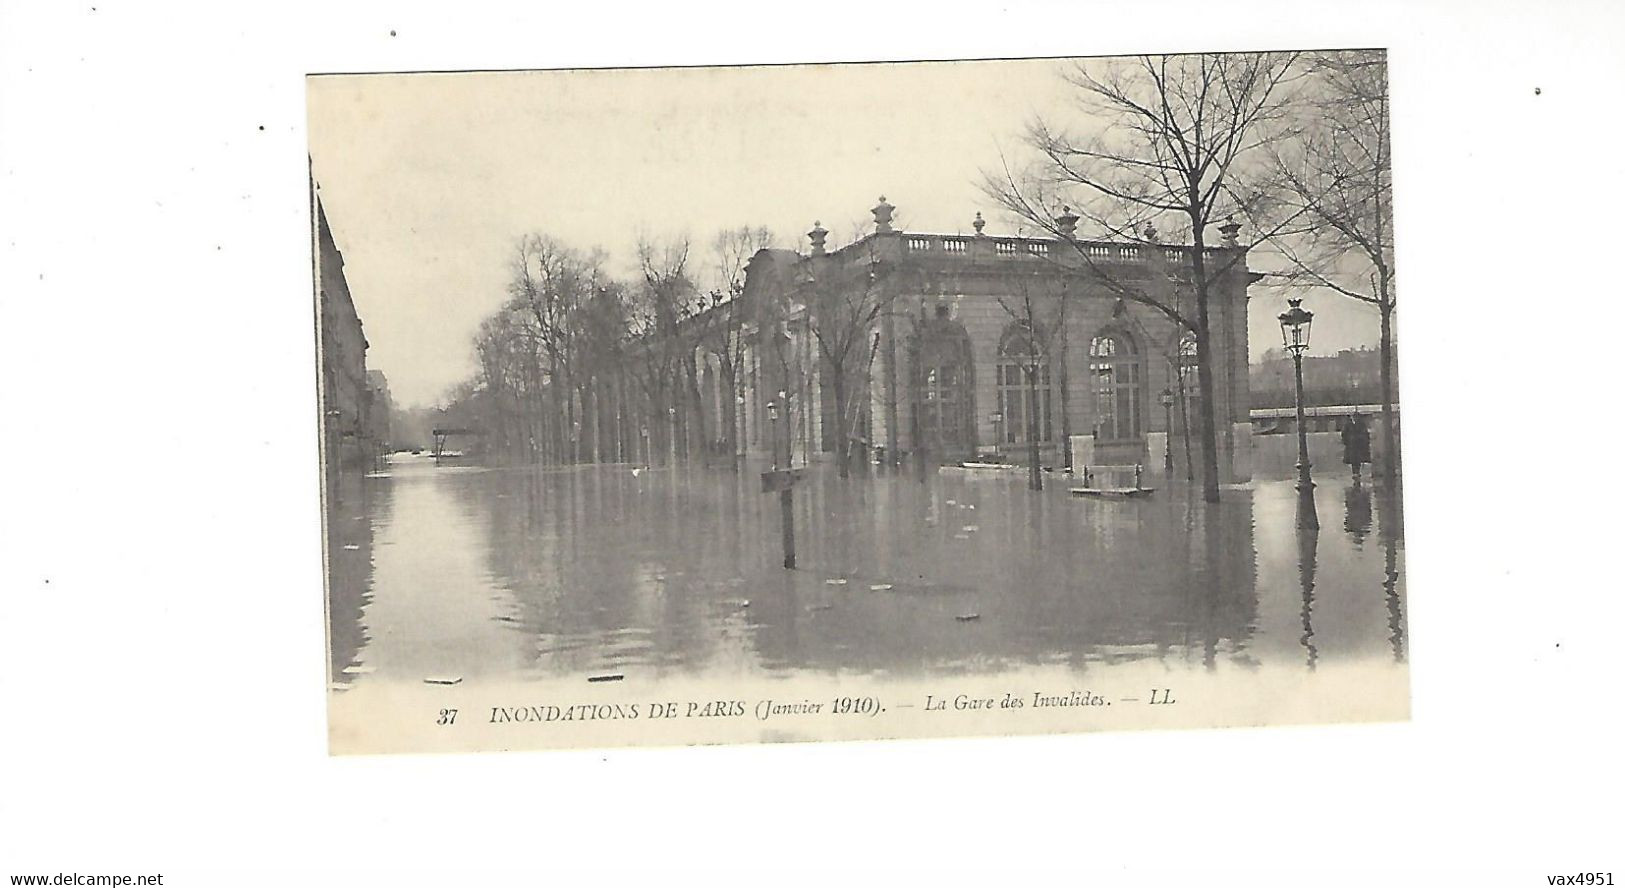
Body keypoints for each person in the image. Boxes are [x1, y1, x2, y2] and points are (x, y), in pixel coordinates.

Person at [1341, 413, 1372, 482]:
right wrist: (1346, 441)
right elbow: (1344, 434)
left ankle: (1357, 472)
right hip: (1351, 445)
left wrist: (1365, 442)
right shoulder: (1348, 425)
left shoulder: (1361, 424)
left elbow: (1365, 434)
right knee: (1353, 460)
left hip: (1359, 445)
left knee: (1358, 459)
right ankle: (1355, 472)